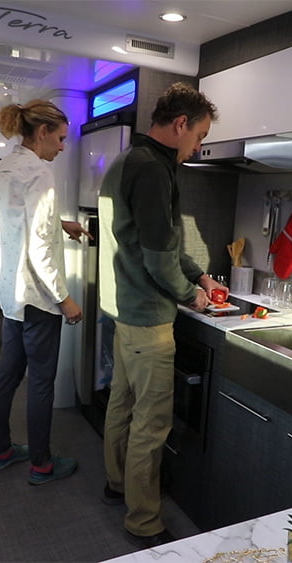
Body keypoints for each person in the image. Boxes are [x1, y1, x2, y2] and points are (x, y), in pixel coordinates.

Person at [97, 83, 222, 547]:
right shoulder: (155, 170)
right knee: (151, 423)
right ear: (180, 124)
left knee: (120, 405)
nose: (198, 146)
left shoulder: (127, 161)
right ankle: (143, 521)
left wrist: (202, 276)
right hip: (149, 319)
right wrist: (192, 295)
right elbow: (157, 258)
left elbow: (163, 243)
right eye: (199, 135)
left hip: (125, 310)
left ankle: (116, 482)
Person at [0, 99, 85, 485]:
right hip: (40, 298)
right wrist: (65, 299)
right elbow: (40, 250)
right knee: (42, 382)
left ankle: (0, 450)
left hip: (10, 293)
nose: (63, 147)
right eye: (60, 138)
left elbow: (18, 225)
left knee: (7, 375)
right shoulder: (40, 174)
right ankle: (42, 464)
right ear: (41, 132)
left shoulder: (5, 167)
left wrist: (61, 223)